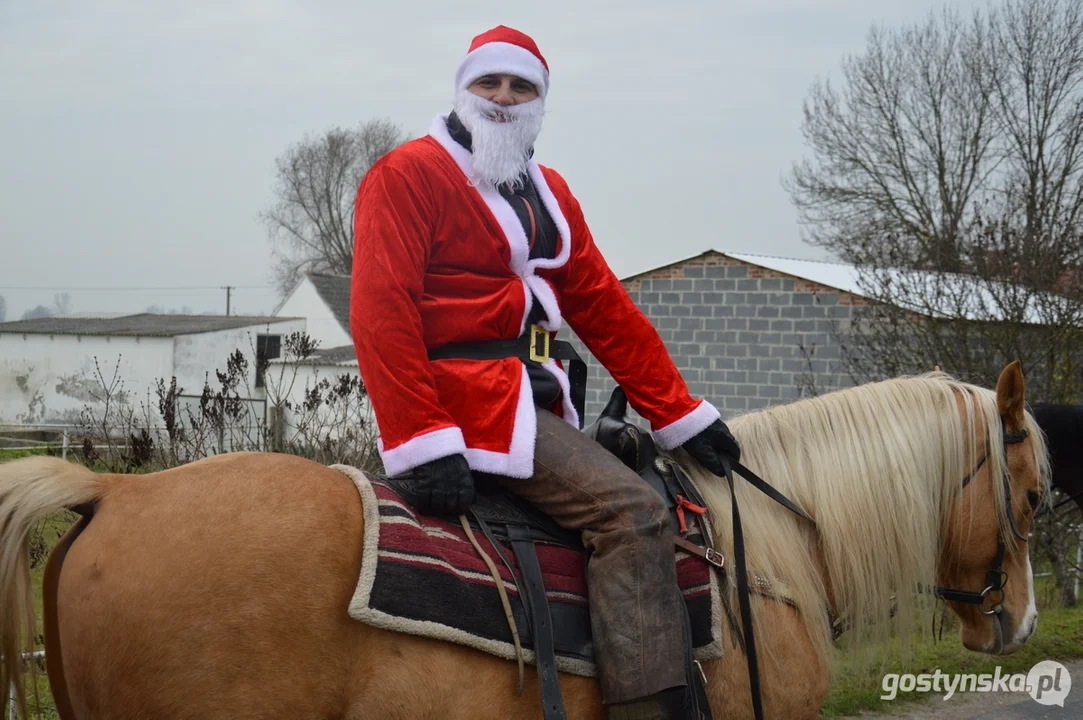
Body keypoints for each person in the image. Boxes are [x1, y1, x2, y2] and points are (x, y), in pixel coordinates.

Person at [350, 25, 741, 720]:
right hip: (462, 404)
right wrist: (420, 437)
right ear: (463, 91)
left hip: (533, 398)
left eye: (520, 86)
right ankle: (646, 711)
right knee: (635, 513)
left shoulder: (548, 189)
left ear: (539, 102)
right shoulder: (406, 173)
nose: (503, 97)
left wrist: (677, 411)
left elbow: (602, 307)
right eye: (488, 83)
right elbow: (383, 313)